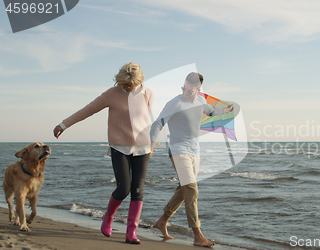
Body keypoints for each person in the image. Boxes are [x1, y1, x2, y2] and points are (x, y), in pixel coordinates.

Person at [53, 62, 154, 244]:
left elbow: (150, 120)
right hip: (119, 147)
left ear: (139, 81)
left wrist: (152, 144)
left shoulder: (148, 93)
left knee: (138, 190)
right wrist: (64, 124)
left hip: (142, 148)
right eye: (124, 84)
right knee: (123, 188)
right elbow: (87, 110)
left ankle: (131, 232)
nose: (127, 87)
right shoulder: (111, 94)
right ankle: (108, 217)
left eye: (130, 84)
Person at [150, 72, 233, 247]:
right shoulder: (175, 103)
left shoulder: (201, 101)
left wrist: (226, 110)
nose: (187, 92)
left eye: (191, 90)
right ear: (184, 85)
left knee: (184, 190)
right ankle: (198, 235)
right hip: (178, 150)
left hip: (195, 152)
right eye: (185, 88)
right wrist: (151, 144)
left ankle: (162, 221)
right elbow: (158, 123)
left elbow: (211, 111)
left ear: (198, 89)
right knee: (192, 190)